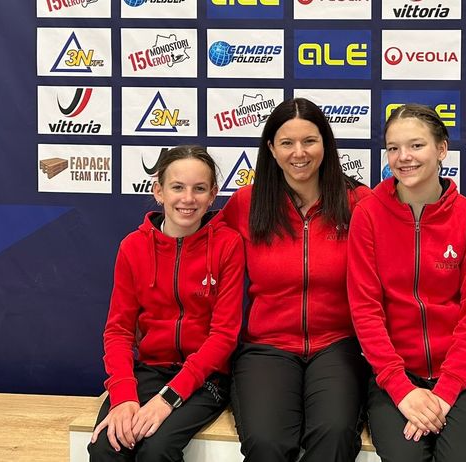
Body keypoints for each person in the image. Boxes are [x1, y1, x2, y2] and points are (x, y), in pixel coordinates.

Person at [214, 97, 372, 462]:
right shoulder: (247, 203)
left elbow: (405, 247)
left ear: (326, 145)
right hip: (266, 346)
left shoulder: (358, 202)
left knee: (334, 434)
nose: (298, 153)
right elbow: (201, 251)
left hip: (338, 345)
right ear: (271, 148)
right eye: (286, 143)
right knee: (267, 442)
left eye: (309, 141)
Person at [348, 104, 466, 461]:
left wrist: (444, 394)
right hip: (394, 378)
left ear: (441, 149)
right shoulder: (367, 216)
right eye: (394, 148)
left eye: (416, 145)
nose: (403, 158)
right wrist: (401, 389)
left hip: (462, 377)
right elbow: (366, 312)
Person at [88, 145, 244, 461]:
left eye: (199, 189)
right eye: (177, 187)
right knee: (109, 445)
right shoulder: (133, 247)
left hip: (206, 378)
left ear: (213, 194)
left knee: (157, 450)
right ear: (158, 191)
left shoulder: (228, 245)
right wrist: (122, 397)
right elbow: (118, 332)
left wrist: (168, 398)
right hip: (150, 370)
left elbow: (223, 337)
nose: (188, 198)